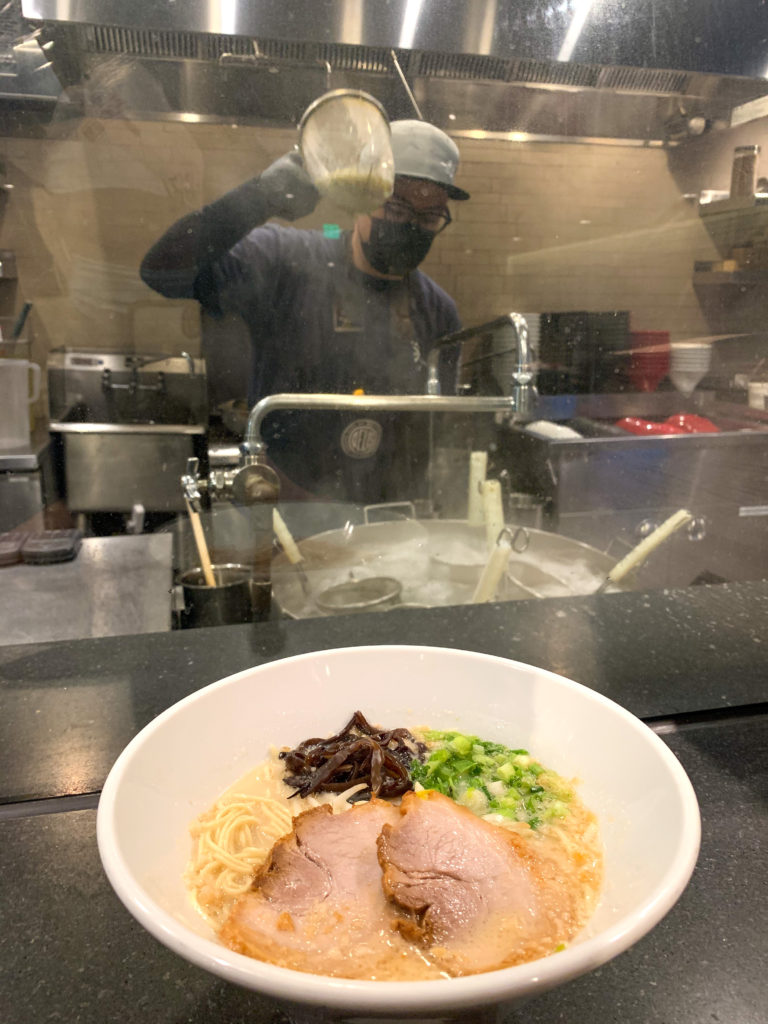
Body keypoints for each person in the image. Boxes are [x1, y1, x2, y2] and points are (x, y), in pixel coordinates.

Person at [140, 119, 470, 502]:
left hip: (387, 517)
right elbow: (162, 273)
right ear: (362, 199)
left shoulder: (438, 312)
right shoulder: (287, 261)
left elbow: (432, 435)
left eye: (429, 217)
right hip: (284, 508)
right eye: (396, 207)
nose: (411, 226)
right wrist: (258, 198)